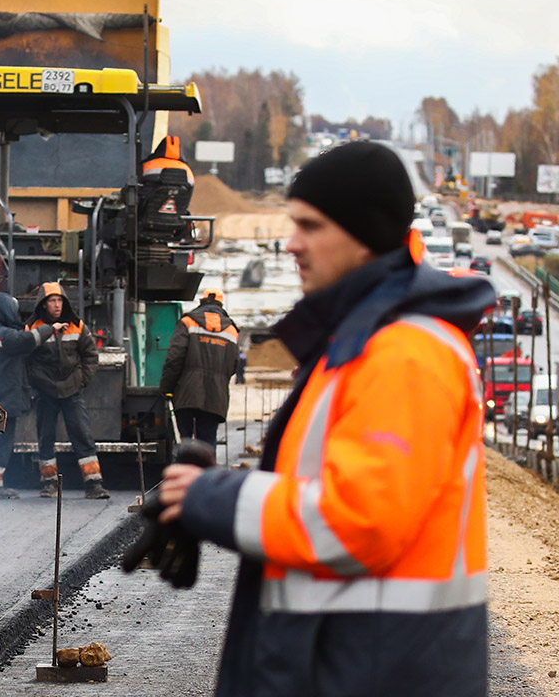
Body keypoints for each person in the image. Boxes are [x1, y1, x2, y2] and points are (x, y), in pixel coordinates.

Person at [153, 141, 495, 696]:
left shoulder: (405, 354)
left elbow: (358, 523)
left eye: (310, 226)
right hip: (356, 660)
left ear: (364, 235)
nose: (292, 243)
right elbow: (323, 486)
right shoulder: (360, 343)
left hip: (374, 670)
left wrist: (211, 498)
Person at [26, 282, 110, 500]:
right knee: (46, 437)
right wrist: (37, 382)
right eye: (52, 301)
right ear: (43, 305)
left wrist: (82, 380)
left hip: (72, 390)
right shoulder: (33, 327)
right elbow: (27, 358)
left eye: (59, 300)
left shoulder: (77, 326)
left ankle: (94, 484)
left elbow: (90, 355)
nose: (57, 305)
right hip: (45, 392)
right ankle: (49, 484)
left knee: (82, 435)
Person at [0, 292, 58, 499]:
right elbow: (28, 340)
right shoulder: (6, 336)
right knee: (2, 442)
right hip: (4, 401)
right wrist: (51, 328)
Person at [157, 287, 240, 449]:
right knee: (207, 444)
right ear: (221, 304)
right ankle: (206, 465)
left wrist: (166, 389)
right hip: (215, 396)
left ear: (202, 301)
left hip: (186, 392)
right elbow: (233, 365)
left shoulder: (188, 322)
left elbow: (174, 358)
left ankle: (186, 464)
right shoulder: (231, 330)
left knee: (185, 442)